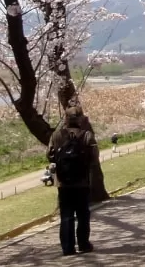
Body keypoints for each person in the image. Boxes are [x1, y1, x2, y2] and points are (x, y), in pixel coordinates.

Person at [47, 106, 98, 256]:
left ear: (65, 119)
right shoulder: (87, 135)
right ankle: (83, 244)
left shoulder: (56, 135)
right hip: (82, 181)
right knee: (83, 214)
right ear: (81, 119)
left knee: (66, 215)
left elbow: (49, 155)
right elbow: (94, 157)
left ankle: (68, 247)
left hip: (63, 183)